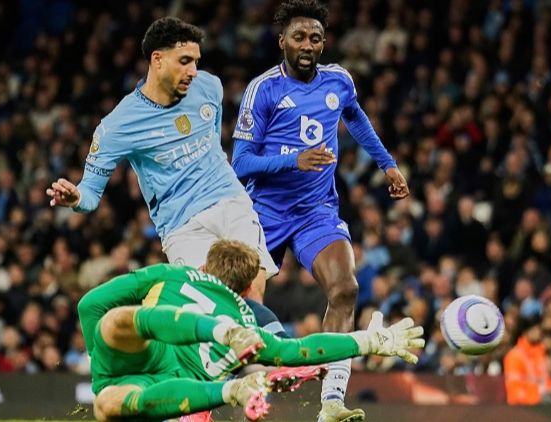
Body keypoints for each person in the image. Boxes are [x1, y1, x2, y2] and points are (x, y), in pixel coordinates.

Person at [231, 1, 410, 420]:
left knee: (345, 289)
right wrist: (293, 160)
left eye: (315, 38)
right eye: (299, 37)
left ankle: (331, 401)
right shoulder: (263, 89)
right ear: (282, 41)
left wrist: (388, 165)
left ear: (324, 43)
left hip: (316, 211)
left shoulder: (339, 80)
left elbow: (356, 118)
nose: (307, 45)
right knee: (244, 303)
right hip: (265, 212)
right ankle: (248, 396)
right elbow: (240, 163)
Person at [46, 17, 277, 302]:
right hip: (182, 226)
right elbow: (91, 193)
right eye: (184, 61)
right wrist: (77, 198)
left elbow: (214, 140)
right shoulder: (117, 126)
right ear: (157, 59)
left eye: (196, 61)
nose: (193, 71)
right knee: (210, 304)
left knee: (253, 287)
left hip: (230, 201)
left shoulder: (210, 87)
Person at [78, 240, 425, 421]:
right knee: (108, 406)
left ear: (204, 266)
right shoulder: (248, 318)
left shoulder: (172, 273)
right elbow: (298, 351)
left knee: (115, 323)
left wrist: (101, 366)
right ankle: (229, 387)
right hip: (179, 395)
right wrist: (368, 341)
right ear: (246, 289)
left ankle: (216, 348)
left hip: (135, 355)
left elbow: (89, 305)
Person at [503, 317, 551, 405]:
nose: (539, 333)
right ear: (525, 332)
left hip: (544, 402)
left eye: (539, 330)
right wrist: (537, 399)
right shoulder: (514, 356)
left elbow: (546, 381)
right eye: (535, 330)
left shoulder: (540, 353)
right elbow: (514, 390)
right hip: (523, 406)